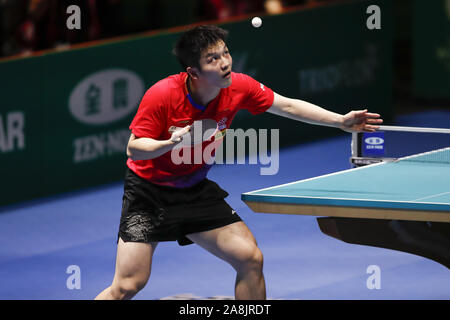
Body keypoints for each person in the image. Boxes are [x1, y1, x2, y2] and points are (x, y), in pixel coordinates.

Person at [95, 24, 382, 300]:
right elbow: (134, 149)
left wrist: (339, 121)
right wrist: (168, 144)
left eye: (225, 53)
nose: (224, 63)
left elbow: (287, 105)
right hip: (149, 193)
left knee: (250, 258)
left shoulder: (239, 86)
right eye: (213, 58)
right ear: (193, 72)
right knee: (128, 285)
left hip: (194, 190)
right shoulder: (162, 95)